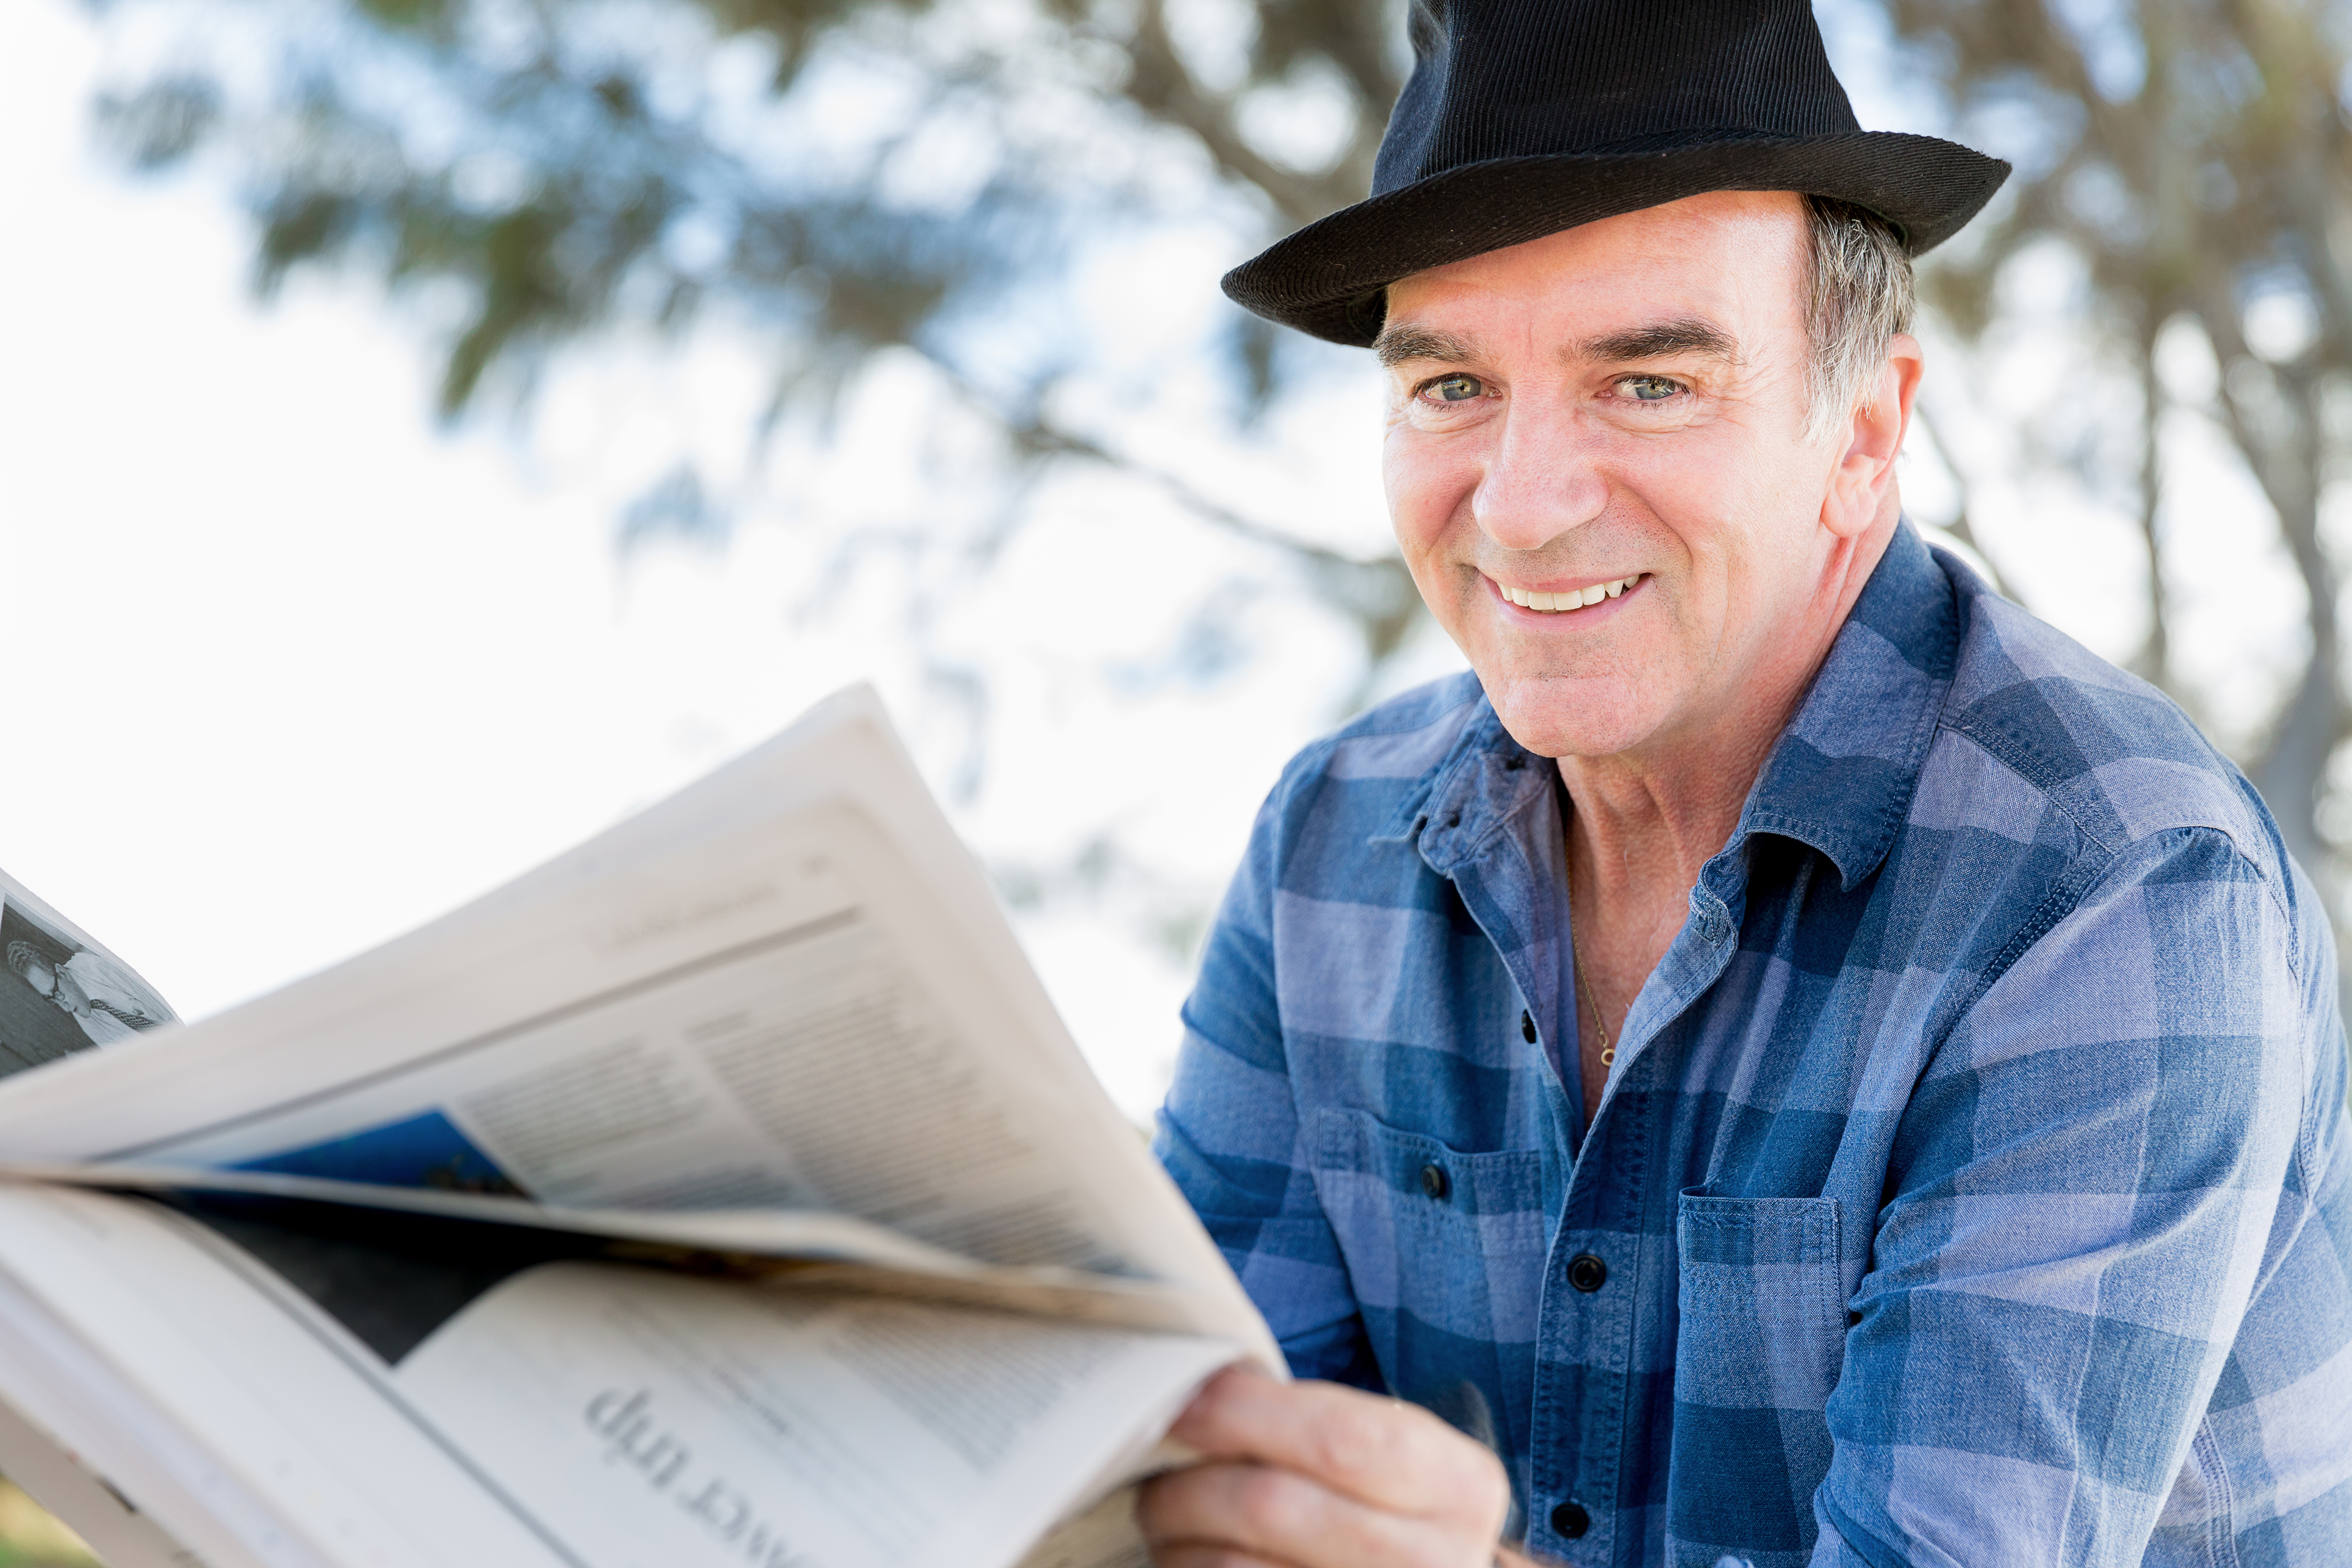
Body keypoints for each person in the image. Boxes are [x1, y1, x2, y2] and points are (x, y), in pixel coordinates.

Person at [1137, 2, 2352, 1565]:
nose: (1522, 505)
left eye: (1648, 382)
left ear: (1864, 432)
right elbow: (1189, 1474)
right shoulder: (1329, 845)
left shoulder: (2117, 887)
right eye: (1450, 387)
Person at [5, 940, 172, 1046]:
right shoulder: (82, 1014)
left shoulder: (99, 966)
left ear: (62, 972)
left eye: (56, 993)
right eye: (51, 999)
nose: (65, 1008)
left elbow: (167, 1004)